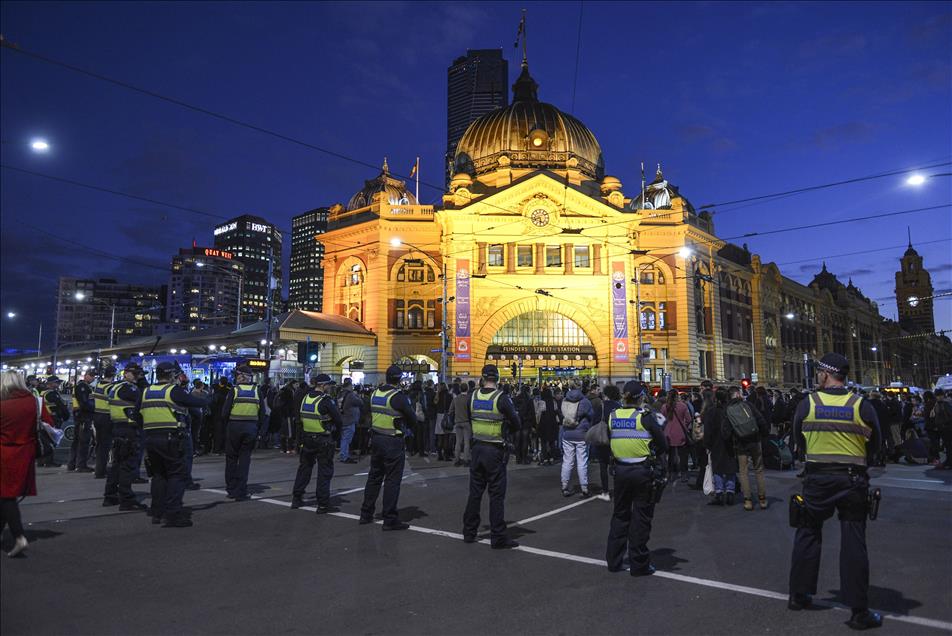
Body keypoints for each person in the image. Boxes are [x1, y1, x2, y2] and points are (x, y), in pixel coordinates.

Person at [788, 353, 883, 630]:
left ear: (826, 374)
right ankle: (858, 611)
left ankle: (799, 595)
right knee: (853, 541)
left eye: (819, 371)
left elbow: (798, 440)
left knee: (807, 533)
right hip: (852, 480)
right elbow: (876, 445)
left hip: (817, 478)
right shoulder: (861, 405)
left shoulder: (808, 403)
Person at [605, 380, 669, 576]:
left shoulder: (613, 416)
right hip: (642, 472)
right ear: (641, 397)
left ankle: (614, 561)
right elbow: (663, 445)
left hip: (620, 471)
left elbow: (610, 439)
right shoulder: (645, 417)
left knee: (620, 515)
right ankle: (639, 564)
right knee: (641, 517)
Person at [136, 362, 210, 527]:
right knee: (177, 475)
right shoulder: (173, 391)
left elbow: (136, 414)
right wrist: (208, 396)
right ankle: (173, 514)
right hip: (171, 438)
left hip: (150, 439)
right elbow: (197, 402)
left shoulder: (146, 391)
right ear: (171, 375)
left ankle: (157, 512)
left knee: (158, 475)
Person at [462, 364, 521, 549]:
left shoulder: (473, 396)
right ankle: (498, 537)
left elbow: (469, 417)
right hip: (494, 451)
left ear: (482, 378)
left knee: (475, 493)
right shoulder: (501, 398)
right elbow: (516, 423)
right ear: (497, 378)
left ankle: (469, 532)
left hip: (477, 448)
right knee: (496, 495)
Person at [2, 371, 54, 557]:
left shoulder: (2, 403)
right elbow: (47, 423)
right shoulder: (34, 401)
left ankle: (19, 536)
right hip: (26, 453)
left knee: (6, 496)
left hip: (4, 453)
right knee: (7, 496)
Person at [359, 365, 417, 530]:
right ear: (399, 379)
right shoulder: (398, 397)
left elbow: (367, 413)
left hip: (376, 438)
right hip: (392, 441)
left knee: (374, 477)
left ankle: (366, 513)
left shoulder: (375, 393)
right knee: (392, 480)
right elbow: (412, 419)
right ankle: (389, 518)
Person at [291, 373, 343, 513]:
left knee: (304, 469)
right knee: (324, 472)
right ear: (323, 385)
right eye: (329, 385)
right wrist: (335, 436)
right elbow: (338, 420)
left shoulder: (306, 398)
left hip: (307, 438)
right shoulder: (326, 400)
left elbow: (300, 420)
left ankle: (296, 498)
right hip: (323, 439)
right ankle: (323, 504)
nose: (330, 387)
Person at [103, 364, 146, 510]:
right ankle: (127, 499)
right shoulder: (129, 389)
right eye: (135, 374)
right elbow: (143, 398)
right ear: (126, 373)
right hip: (128, 429)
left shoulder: (116, 387)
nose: (137, 376)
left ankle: (110, 496)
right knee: (128, 465)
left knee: (117, 465)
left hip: (118, 428)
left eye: (139, 374)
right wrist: (142, 383)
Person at [221, 364, 266, 501]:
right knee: (245, 460)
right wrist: (259, 430)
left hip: (234, 427)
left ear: (241, 376)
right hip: (251, 428)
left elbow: (225, 412)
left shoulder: (234, 390)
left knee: (231, 459)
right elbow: (262, 413)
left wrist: (226, 426)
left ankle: (231, 489)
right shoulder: (257, 391)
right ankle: (241, 491)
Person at [724, 385, 770, 511]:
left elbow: (726, 431)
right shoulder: (748, 405)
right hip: (755, 440)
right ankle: (762, 499)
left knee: (743, 471)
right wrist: (764, 434)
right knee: (758, 469)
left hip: (740, 443)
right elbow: (760, 420)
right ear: (738, 394)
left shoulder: (728, 410)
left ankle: (748, 501)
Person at [560, 381, 595, 497]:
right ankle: (584, 488)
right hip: (581, 434)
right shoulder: (585, 401)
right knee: (582, 461)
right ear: (580, 387)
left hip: (567, 434)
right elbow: (592, 416)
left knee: (567, 460)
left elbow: (563, 415)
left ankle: (564, 486)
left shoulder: (565, 400)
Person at [704, 388, 738, 505]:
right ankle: (730, 491)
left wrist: (707, 444)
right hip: (730, 441)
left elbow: (707, 430)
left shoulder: (711, 411)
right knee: (730, 467)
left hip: (716, 442)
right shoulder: (731, 409)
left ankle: (719, 492)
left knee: (717, 468)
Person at [660, 389, 692, 483]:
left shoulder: (664, 406)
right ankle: (684, 474)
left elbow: (661, 420)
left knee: (670, 455)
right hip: (680, 433)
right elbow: (689, 419)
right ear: (677, 396)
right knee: (683, 455)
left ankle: (671, 474)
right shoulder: (683, 406)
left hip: (668, 434)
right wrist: (685, 425)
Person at [91, 366, 117, 478]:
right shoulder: (110, 387)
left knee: (99, 444)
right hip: (106, 417)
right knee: (105, 446)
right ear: (113, 375)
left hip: (97, 416)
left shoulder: (98, 385)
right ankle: (101, 471)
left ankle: (99, 469)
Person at [68, 370, 96, 472]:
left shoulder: (84, 386)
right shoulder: (82, 387)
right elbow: (84, 402)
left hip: (81, 416)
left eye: (94, 376)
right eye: (91, 375)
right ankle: (81, 465)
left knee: (77, 441)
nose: (93, 378)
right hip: (83, 416)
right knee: (83, 441)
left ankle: (73, 464)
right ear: (86, 375)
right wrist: (94, 409)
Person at [337, 377, 362, 463]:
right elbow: (360, 403)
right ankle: (344, 456)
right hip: (349, 419)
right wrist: (357, 395)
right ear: (349, 386)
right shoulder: (350, 395)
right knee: (346, 439)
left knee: (344, 438)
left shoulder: (340, 393)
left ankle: (343, 454)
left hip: (342, 418)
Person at [453, 381, 473, 467]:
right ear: (467, 389)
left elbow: (450, 410)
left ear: (460, 389)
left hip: (457, 422)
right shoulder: (469, 398)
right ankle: (466, 460)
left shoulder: (456, 398)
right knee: (466, 442)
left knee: (458, 442)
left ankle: (457, 460)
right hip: (466, 422)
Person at [932, 389, 952, 469]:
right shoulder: (938, 404)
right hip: (942, 428)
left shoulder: (945, 404)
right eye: (938, 396)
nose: (939, 397)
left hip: (947, 428)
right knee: (947, 446)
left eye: (941, 395)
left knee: (949, 445)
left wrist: (944, 423)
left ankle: (949, 461)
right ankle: (949, 461)